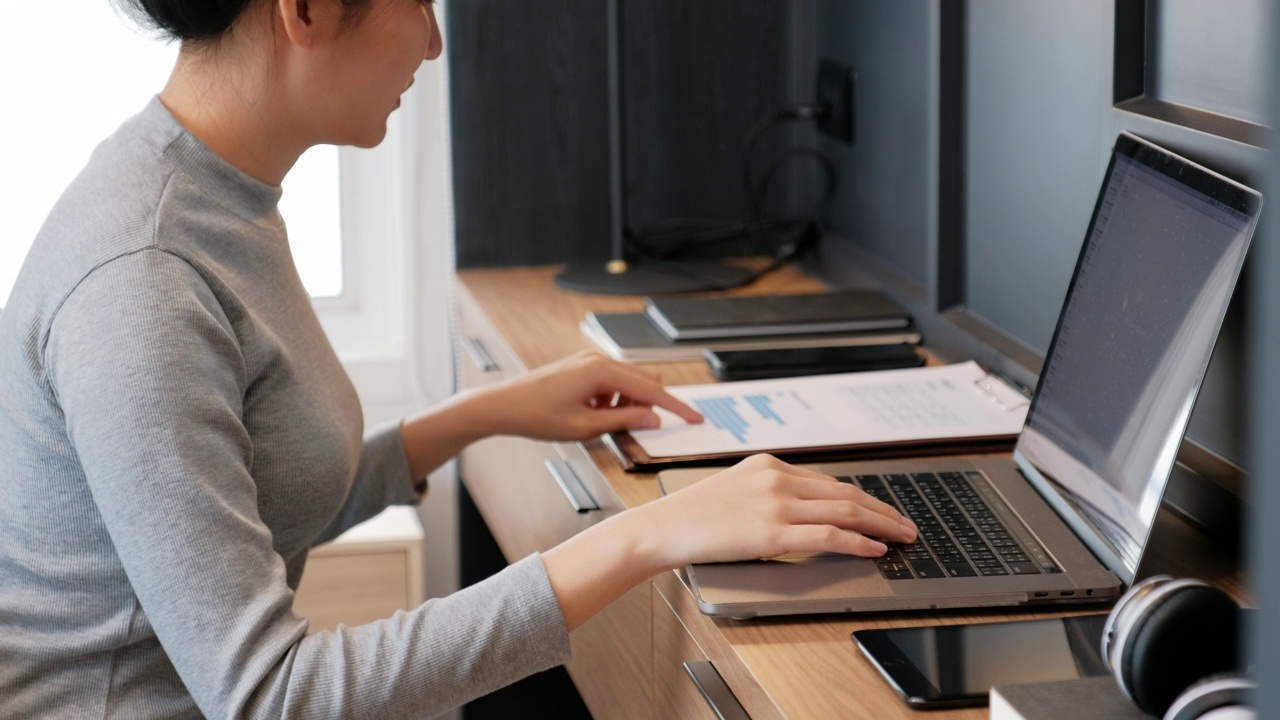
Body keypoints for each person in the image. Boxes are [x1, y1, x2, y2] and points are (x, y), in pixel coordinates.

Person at [0, 0, 917, 717]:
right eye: (420, 4)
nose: (434, 46)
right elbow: (271, 697)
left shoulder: (215, 195)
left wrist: (490, 411)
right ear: (306, 11)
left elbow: (249, 498)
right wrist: (646, 533)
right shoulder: (143, 281)